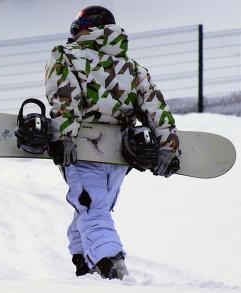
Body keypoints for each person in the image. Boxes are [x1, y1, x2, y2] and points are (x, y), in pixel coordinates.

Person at [45, 6, 179, 280]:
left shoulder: (66, 56)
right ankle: (84, 264)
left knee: (91, 207)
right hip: (120, 153)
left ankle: (111, 264)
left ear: (82, 27)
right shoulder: (133, 68)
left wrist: (63, 137)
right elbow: (156, 109)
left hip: (82, 147)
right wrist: (168, 147)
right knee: (94, 207)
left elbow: (65, 99)